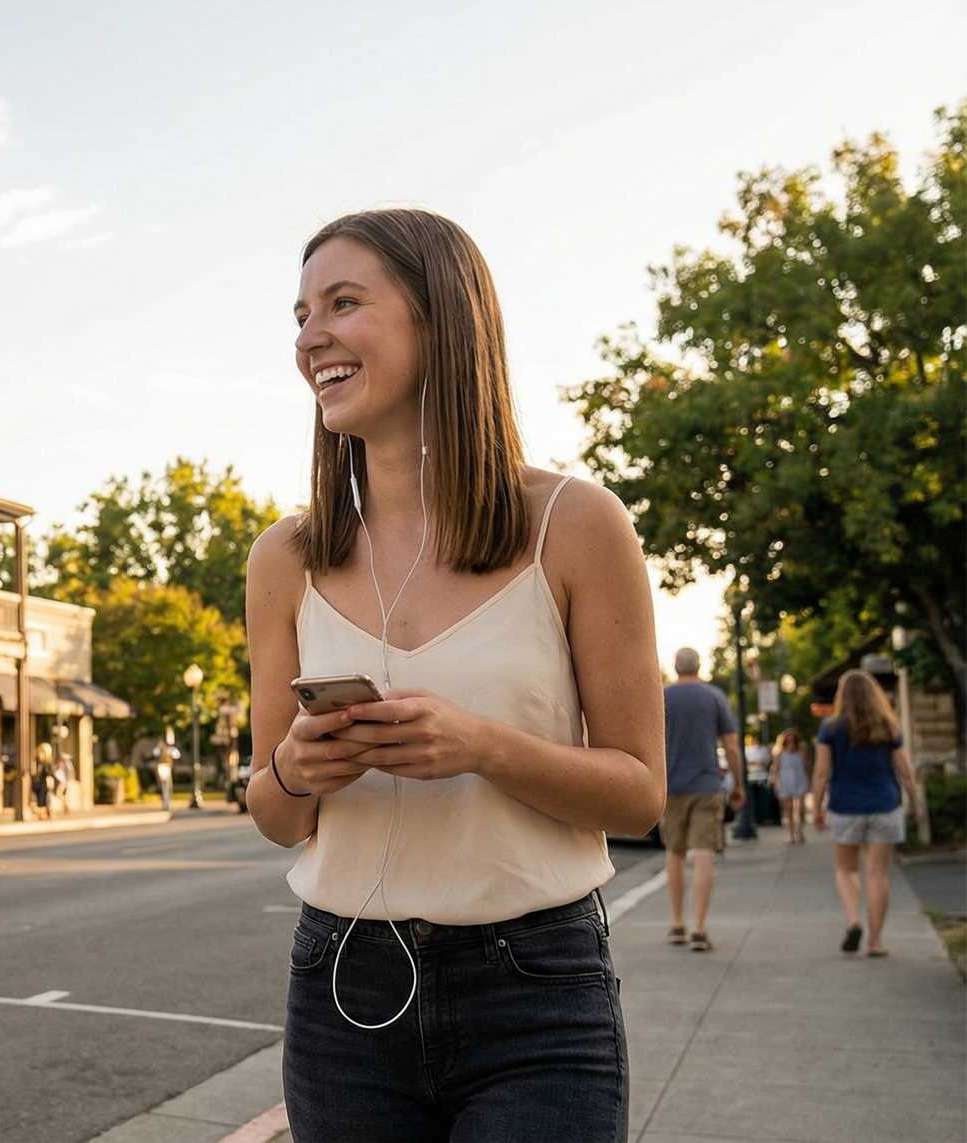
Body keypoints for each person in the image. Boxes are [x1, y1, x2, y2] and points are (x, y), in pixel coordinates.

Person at [244, 209, 663, 1143]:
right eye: (301, 312)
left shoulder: (578, 524)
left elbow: (639, 795)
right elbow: (274, 815)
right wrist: (298, 769)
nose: (312, 336)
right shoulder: (285, 556)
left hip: (539, 991)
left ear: (442, 318)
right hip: (341, 989)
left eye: (344, 303)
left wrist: (482, 746)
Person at [812, 669, 918, 957]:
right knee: (878, 874)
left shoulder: (830, 728)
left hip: (845, 807)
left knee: (846, 870)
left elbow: (821, 773)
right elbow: (905, 770)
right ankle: (875, 941)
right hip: (885, 805)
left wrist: (817, 808)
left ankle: (853, 920)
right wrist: (915, 802)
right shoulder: (888, 725)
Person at [661, 647, 746, 952]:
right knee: (703, 853)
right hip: (706, 784)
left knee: (674, 852)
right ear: (700, 666)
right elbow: (732, 746)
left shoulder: (663, 697)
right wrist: (738, 783)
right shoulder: (713, 697)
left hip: (670, 786)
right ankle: (699, 927)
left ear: (675, 666)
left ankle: (676, 923)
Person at [773, 729, 810, 843]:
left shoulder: (802, 750)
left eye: (792, 738)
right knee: (788, 809)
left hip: (800, 780)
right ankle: (791, 835)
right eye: (788, 738)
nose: (790, 740)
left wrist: (810, 780)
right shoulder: (779, 752)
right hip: (785, 781)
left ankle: (800, 831)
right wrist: (776, 783)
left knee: (801, 808)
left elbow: (807, 766)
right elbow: (776, 769)